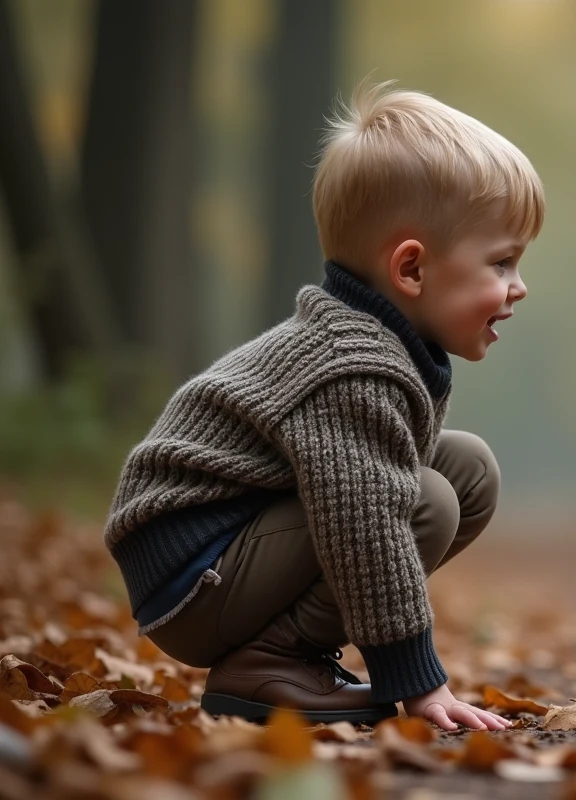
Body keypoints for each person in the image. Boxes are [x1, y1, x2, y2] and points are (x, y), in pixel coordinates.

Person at [103, 81, 541, 729]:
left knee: (466, 469)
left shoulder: (384, 343)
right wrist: (416, 682)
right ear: (412, 271)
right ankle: (273, 660)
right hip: (191, 565)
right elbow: (366, 521)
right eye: (502, 264)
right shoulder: (352, 365)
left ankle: (277, 652)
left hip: (234, 537)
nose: (519, 287)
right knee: (423, 500)